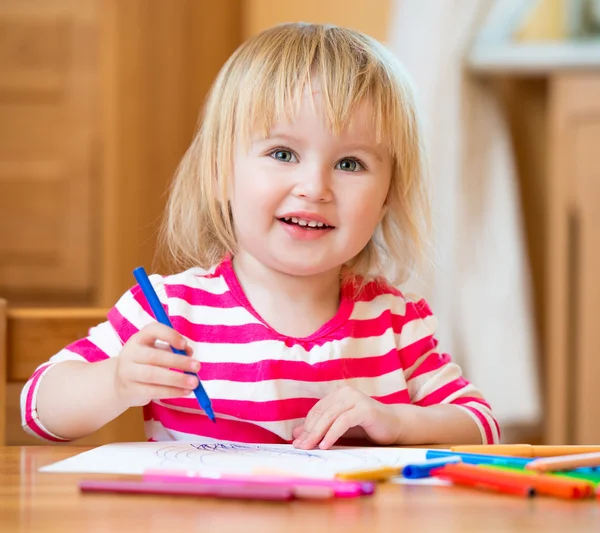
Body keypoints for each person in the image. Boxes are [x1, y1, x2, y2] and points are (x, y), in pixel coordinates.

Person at [21, 22, 499, 448]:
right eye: (283, 153)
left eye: (350, 163)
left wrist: (397, 421)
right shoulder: (169, 311)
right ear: (219, 172)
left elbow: (480, 424)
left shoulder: (395, 322)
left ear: (389, 195)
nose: (314, 188)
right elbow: (38, 406)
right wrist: (115, 381)